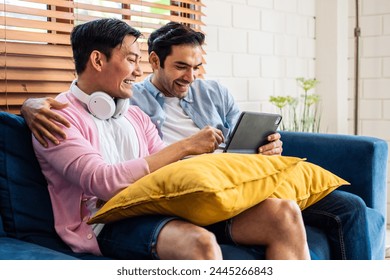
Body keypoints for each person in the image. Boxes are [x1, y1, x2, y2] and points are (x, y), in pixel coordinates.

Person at [22, 21, 371, 260]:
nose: (138, 68)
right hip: (103, 222)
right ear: (98, 59)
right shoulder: (57, 117)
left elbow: (165, 170)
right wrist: (187, 147)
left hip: (167, 202)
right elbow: (102, 181)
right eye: (131, 59)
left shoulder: (129, 112)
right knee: (200, 244)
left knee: (283, 212)